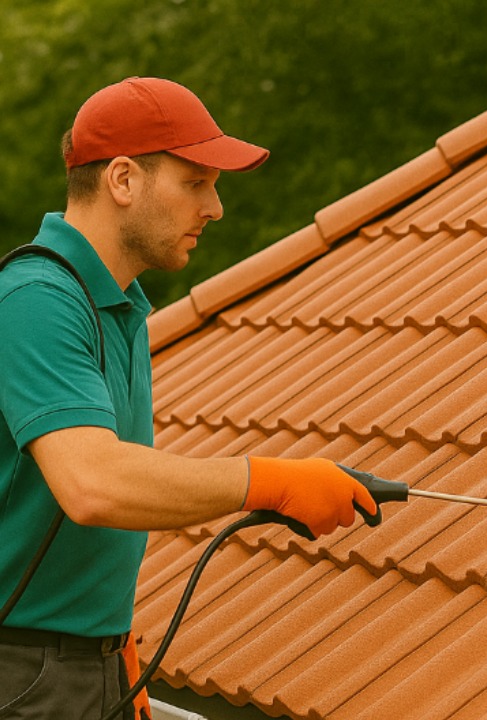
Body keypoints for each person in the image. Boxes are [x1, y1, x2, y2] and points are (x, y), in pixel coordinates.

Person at [0, 77, 380, 720]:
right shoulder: (36, 299)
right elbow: (93, 485)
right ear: (122, 180)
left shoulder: (116, 309)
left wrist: (108, 653)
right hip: (26, 676)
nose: (215, 208)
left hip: (82, 665)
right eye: (196, 182)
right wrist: (267, 480)